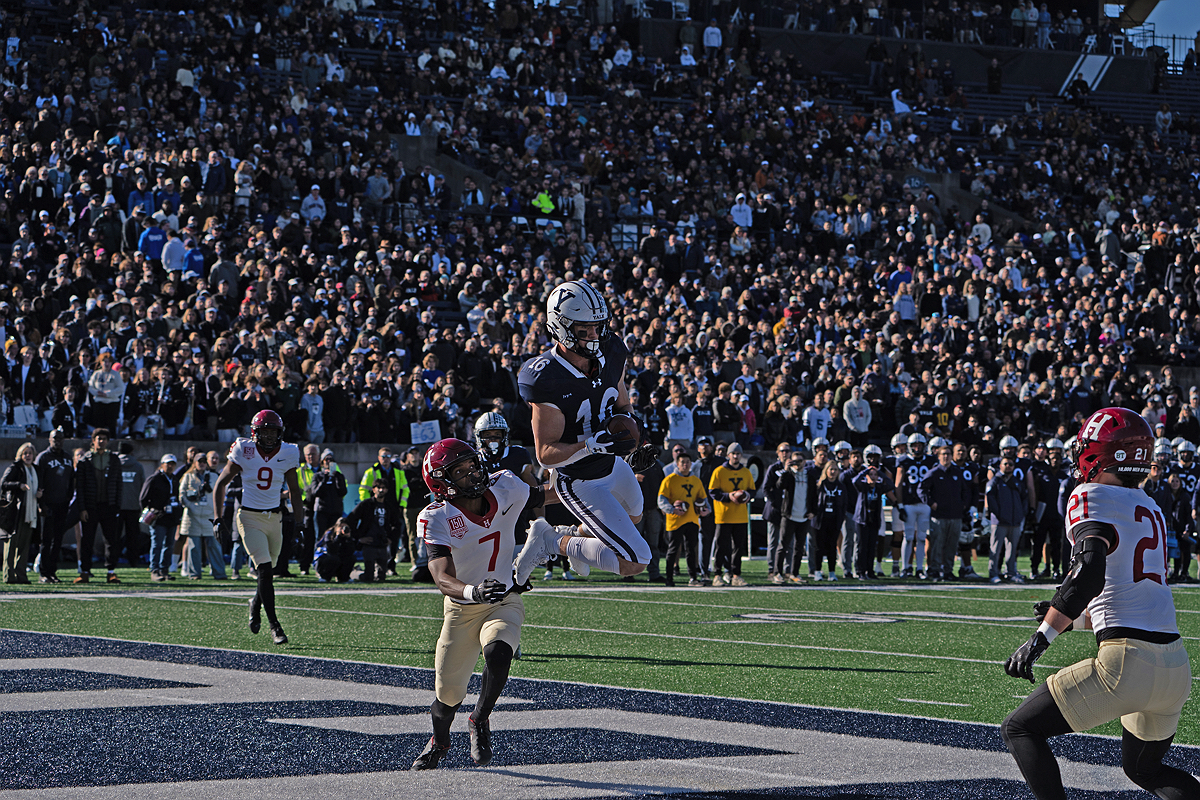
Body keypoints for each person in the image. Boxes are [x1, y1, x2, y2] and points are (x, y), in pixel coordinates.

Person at [1001, 407, 1200, 800]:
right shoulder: (1151, 505)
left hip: (1125, 665)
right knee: (1145, 769)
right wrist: (1071, 621)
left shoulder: (1090, 495)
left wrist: (1041, 638)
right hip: (1175, 667)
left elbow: (1089, 572)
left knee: (1019, 728)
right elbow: (1126, 596)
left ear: (1100, 455)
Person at [411, 438, 558, 770]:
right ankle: (440, 740)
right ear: (442, 483)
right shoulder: (437, 516)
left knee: (498, 651)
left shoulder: (504, 485)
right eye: (460, 471)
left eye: (472, 464)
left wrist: (600, 474)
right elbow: (442, 577)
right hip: (463, 609)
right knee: (447, 697)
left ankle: (480, 718)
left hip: (504, 599)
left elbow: (546, 493)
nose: (472, 473)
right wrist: (472, 591)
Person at [514, 280, 649, 581]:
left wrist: (636, 441)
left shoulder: (612, 351)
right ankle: (551, 542)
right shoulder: (546, 377)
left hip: (611, 465)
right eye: (583, 330)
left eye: (597, 327)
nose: (594, 336)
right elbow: (546, 455)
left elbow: (622, 404)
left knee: (635, 514)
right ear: (560, 328)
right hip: (577, 479)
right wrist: (589, 446)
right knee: (636, 560)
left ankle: (569, 537)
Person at [213, 410, 302, 645]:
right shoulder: (244, 449)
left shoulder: (289, 452)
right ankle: (275, 626)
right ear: (255, 432)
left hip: (275, 519)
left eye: (274, 432)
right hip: (249, 517)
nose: (270, 437)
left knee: (268, 572)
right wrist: (217, 518)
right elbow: (221, 483)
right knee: (263, 569)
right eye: (266, 431)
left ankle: (255, 602)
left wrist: (301, 522)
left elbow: (294, 491)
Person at [73, 428, 124, 584]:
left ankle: (111, 572)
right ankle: (85, 572)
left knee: (111, 540)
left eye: (104, 438)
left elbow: (118, 484)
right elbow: (79, 487)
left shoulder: (114, 459)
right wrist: (82, 509)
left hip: (109, 506)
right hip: (90, 506)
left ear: (108, 441)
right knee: (87, 540)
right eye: (98, 438)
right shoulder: (85, 461)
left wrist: (117, 506)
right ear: (93, 441)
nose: (101, 441)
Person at [919, 439, 970, 582]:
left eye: (948, 454)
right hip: (939, 516)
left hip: (955, 515)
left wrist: (963, 505)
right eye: (943, 454)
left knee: (952, 545)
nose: (946, 457)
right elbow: (921, 489)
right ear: (938, 456)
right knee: (937, 544)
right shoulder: (933, 473)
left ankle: (948, 570)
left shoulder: (957, 472)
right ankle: (934, 570)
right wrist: (931, 503)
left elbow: (965, 491)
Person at [358, 446, 412, 578]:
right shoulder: (371, 471)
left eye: (388, 456)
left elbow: (405, 490)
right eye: (383, 456)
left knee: (393, 538)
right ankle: (376, 567)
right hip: (376, 510)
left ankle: (391, 566)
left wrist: (401, 505)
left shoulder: (398, 472)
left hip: (393, 510)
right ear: (378, 458)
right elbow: (363, 489)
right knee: (375, 536)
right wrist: (369, 506)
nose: (386, 459)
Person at [658, 449, 709, 587]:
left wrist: (706, 510)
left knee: (691, 550)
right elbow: (661, 500)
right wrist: (673, 509)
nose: (685, 465)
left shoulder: (696, 480)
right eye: (682, 462)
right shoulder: (670, 480)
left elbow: (703, 498)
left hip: (692, 519)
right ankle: (669, 578)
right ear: (677, 464)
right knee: (673, 550)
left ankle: (693, 578)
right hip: (675, 521)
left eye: (687, 462)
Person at [707, 441, 755, 586]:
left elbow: (752, 490)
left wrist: (745, 495)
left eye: (738, 454)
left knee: (738, 548)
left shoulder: (745, 472)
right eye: (733, 454)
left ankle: (736, 575)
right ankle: (717, 574)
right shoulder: (719, 471)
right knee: (722, 546)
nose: (735, 456)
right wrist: (729, 496)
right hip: (724, 516)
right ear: (728, 455)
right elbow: (713, 492)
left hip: (740, 516)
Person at [34, 429, 73, 583]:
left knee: (58, 540)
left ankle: (52, 572)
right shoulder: (43, 458)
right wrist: (41, 504)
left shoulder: (68, 458)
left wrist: (68, 499)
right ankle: (43, 573)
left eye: (60, 438)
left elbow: (71, 481)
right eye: (55, 438)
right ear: (49, 439)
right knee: (46, 540)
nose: (58, 440)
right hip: (47, 505)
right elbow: (38, 482)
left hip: (62, 504)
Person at [179, 452, 225, 579]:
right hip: (192, 516)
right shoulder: (188, 476)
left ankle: (219, 572)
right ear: (195, 463)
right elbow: (182, 495)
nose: (202, 464)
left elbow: (220, 494)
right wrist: (191, 506)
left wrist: (218, 512)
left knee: (215, 546)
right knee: (194, 547)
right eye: (200, 461)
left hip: (209, 515)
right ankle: (194, 573)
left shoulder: (214, 476)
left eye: (204, 461)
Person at [345, 481, 403, 582]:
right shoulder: (366, 504)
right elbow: (350, 519)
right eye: (378, 487)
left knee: (381, 577)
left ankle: (367, 572)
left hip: (382, 543)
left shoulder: (389, 506)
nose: (381, 490)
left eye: (384, 488)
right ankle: (354, 573)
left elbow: (397, 524)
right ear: (373, 489)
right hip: (369, 543)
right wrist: (359, 537)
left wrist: (391, 538)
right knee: (369, 577)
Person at [1, 442, 42, 584]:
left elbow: (38, 486)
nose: (28, 456)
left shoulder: (35, 470)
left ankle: (21, 576)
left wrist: (39, 493)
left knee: (24, 546)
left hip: (30, 513)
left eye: (30, 453)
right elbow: (3, 483)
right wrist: (19, 485)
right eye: (25, 453)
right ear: (20, 455)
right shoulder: (15, 468)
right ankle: (8, 576)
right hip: (16, 512)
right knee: (11, 545)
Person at [140, 453, 182, 582]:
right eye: (167, 463)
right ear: (162, 464)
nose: (170, 466)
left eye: (172, 464)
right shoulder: (154, 479)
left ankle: (164, 570)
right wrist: (150, 512)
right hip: (158, 517)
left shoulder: (174, 479)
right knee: (157, 544)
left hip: (172, 517)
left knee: (169, 544)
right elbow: (143, 498)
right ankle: (155, 570)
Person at [987, 454, 1028, 583]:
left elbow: (1024, 499)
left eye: (1010, 464)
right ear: (1000, 465)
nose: (1008, 466)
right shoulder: (995, 481)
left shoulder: (1017, 481)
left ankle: (1010, 573)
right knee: (995, 549)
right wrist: (998, 514)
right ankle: (993, 573)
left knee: (1012, 549)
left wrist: (1021, 514)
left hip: (1015, 521)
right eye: (1005, 464)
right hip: (999, 522)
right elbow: (990, 499)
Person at [809, 460, 845, 581]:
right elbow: (813, 501)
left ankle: (832, 573)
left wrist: (841, 518)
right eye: (831, 469)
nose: (833, 472)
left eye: (835, 469)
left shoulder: (840, 486)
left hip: (834, 520)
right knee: (818, 547)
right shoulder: (819, 485)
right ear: (826, 470)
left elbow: (844, 504)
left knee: (831, 547)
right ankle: (817, 571)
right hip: (820, 520)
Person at [314, 517, 356, 583]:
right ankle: (325, 577)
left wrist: (349, 539)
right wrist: (338, 537)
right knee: (334, 558)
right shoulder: (329, 534)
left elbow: (351, 551)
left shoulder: (348, 536)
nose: (343, 529)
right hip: (325, 560)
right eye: (341, 527)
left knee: (350, 558)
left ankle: (343, 577)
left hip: (339, 560)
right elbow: (331, 550)